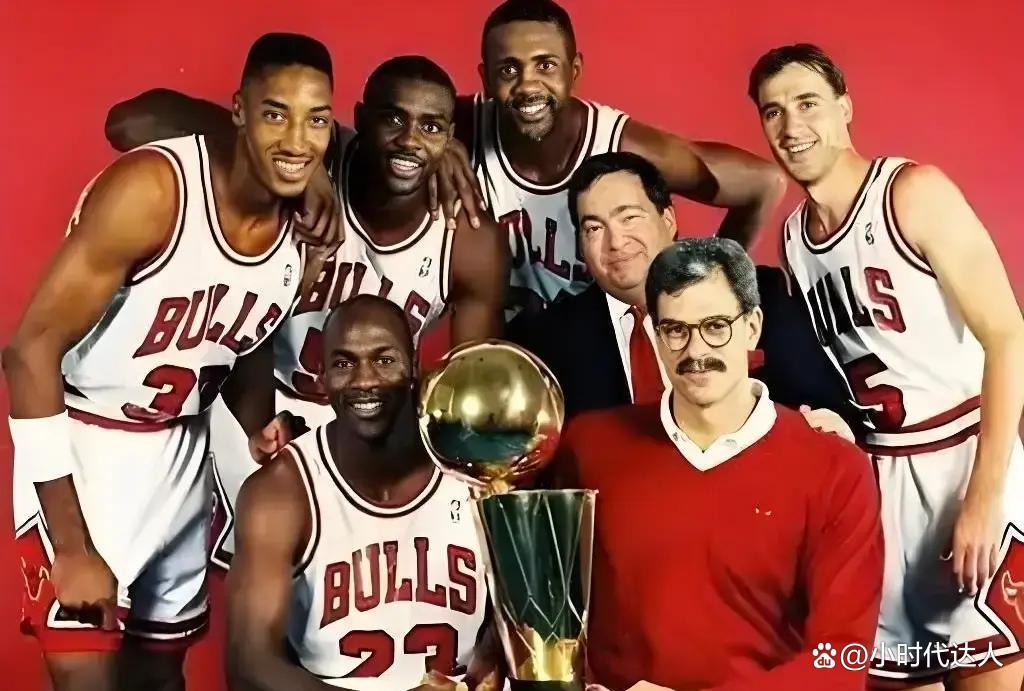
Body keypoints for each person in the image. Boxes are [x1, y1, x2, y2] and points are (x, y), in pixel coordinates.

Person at [4, 32, 333, 691]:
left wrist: (258, 422)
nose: (298, 140)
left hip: (184, 453)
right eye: (276, 113)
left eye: (317, 120)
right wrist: (71, 545)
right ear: (238, 111)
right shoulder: (156, 190)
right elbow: (28, 351)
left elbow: (244, 332)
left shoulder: (303, 229)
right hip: (89, 447)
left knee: (160, 678)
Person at [749, 44, 1024, 689]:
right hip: (883, 483)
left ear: (845, 108)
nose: (792, 126)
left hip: (967, 457)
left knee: (992, 667)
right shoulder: (794, 241)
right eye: (773, 111)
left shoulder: (913, 193)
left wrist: (984, 497)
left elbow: (1009, 335)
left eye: (808, 103)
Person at [209, 55, 510, 568]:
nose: (410, 140)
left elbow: (465, 390)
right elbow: (137, 121)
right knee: (253, 580)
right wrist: (310, 168)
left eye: (431, 128)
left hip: (371, 423)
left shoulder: (469, 238)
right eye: (394, 119)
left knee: (343, 590)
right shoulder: (301, 161)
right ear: (360, 119)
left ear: (450, 138)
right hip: (260, 400)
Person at [557, 238, 884, 690]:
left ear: (752, 327)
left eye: (715, 326)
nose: (696, 351)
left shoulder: (835, 468)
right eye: (676, 329)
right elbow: (545, 603)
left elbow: (840, 661)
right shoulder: (590, 446)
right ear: (654, 334)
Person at [226, 295, 492, 691]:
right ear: (321, 378)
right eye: (343, 364)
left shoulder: (476, 470)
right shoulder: (283, 490)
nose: (365, 380)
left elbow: (524, 616)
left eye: (384, 360)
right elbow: (249, 665)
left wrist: (486, 668)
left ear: (414, 365)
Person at [466, 0, 786, 317]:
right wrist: (447, 148)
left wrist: (707, 283)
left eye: (546, 65)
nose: (527, 85)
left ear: (574, 70)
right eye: (508, 70)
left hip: (600, 342)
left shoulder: (621, 145)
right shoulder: (460, 127)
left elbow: (764, 182)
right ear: (486, 79)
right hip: (500, 344)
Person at [510, 150, 861, 436]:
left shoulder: (756, 294)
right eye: (594, 228)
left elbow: (830, 410)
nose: (615, 242)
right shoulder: (547, 341)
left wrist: (825, 425)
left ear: (668, 221)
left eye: (629, 218)